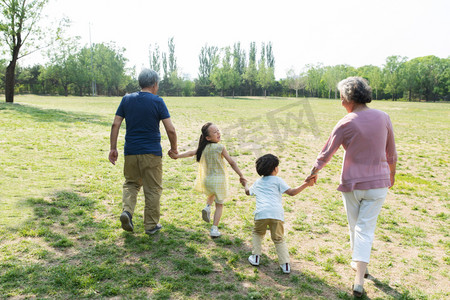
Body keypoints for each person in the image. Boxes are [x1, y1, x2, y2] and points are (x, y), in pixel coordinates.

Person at [306, 77, 397, 297]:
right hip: (378, 184)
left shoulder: (346, 122)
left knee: (357, 226)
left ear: (349, 98)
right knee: (364, 227)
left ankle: (359, 279)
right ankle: (360, 266)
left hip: (353, 185)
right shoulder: (384, 117)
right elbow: (391, 152)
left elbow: (326, 154)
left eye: (341, 98)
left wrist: (313, 173)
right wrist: (391, 176)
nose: (340, 102)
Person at [109, 68, 178, 235]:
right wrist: (174, 148)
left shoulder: (126, 100)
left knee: (131, 184)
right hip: (151, 152)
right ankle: (150, 225)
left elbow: (115, 124)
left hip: (130, 151)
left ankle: (127, 211)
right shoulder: (157, 101)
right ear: (155, 84)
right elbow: (170, 130)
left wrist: (113, 148)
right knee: (153, 188)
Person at [168, 122, 246, 237]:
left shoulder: (202, 148)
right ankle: (214, 229)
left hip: (208, 180)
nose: (218, 133)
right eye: (215, 132)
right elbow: (232, 162)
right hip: (219, 181)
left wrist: (177, 156)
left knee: (212, 193)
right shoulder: (220, 147)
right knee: (219, 205)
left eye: (218, 130)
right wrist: (241, 175)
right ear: (208, 137)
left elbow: (190, 153)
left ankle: (207, 207)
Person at [244, 154, 314, 274]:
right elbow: (292, 192)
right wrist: (306, 184)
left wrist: (244, 183)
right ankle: (285, 264)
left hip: (261, 214)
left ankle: (256, 257)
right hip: (276, 214)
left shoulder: (258, 182)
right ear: (275, 168)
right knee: (279, 239)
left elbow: (247, 192)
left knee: (257, 233)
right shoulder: (277, 180)